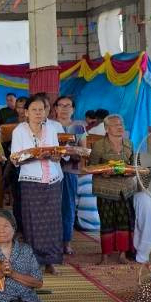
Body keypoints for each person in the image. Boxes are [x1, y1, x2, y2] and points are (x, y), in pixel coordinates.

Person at [11, 93, 67, 271]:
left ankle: (51, 261)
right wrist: (36, 155)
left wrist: (56, 156)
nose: (38, 113)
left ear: (45, 112)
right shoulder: (19, 131)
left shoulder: (51, 129)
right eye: (34, 110)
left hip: (53, 180)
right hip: (31, 182)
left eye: (41, 110)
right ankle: (34, 261)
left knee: (53, 221)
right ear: (26, 112)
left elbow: (58, 155)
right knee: (32, 221)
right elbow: (16, 159)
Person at [86, 112, 138, 265]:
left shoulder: (129, 144)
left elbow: (134, 165)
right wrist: (103, 172)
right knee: (106, 221)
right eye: (115, 125)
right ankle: (105, 255)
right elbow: (91, 166)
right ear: (107, 129)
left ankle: (122, 254)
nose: (119, 127)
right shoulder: (99, 145)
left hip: (125, 189)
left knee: (125, 221)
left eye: (121, 125)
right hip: (105, 189)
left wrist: (129, 171)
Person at [52, 96, 83, 261]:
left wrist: (69, 151)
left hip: (70, 171)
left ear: (73, 109)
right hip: (50, 171)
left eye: (68, 105)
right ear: (55, 108)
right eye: (61, 105)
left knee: (68, 206)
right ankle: (52, 241)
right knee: (51, 206)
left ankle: (66, 241)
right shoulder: (49, 126)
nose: (64, 108)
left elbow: (84, 151)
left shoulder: (78, 127)